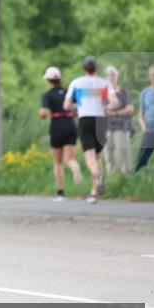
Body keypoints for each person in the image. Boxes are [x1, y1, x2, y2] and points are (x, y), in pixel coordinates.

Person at [64, 56, 117, 202]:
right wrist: (106, 107)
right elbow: (114, 102)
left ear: (83, 69)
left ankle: (96, 175)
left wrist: (77, 106)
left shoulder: (76, 83)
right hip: (100, 119)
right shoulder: (104, 83)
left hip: (86, 119)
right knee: (98, 155)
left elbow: (66, 105)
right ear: (97, 68)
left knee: (89, 155)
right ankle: (94, 191)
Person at [39, 66, 83, 202]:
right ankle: (75, 166)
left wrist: (42, 114)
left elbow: (44, 113)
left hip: (57, 126)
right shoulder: (68, 92)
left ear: (48, 80)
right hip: (70, 124)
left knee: (58, 162)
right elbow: (77, 108)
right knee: (69, 158)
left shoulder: (47, 95)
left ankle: (60, 193)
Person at [104, 66, 134, 175]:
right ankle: (112, 180)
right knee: (109, 155)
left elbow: (130, 109)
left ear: (117, 77)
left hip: (122, 126)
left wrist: (114, 113)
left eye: (113, 75)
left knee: (123, 155)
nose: (111, 78)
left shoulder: (124, 92)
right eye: (108, 75)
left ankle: (125, 179)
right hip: (106, 128)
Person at [136, 63, 154, 172]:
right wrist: (144, 128)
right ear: (149, 76)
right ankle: (137, 180)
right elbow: (140, 114)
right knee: (141, 160)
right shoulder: (145, 92)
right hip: (149, 130)